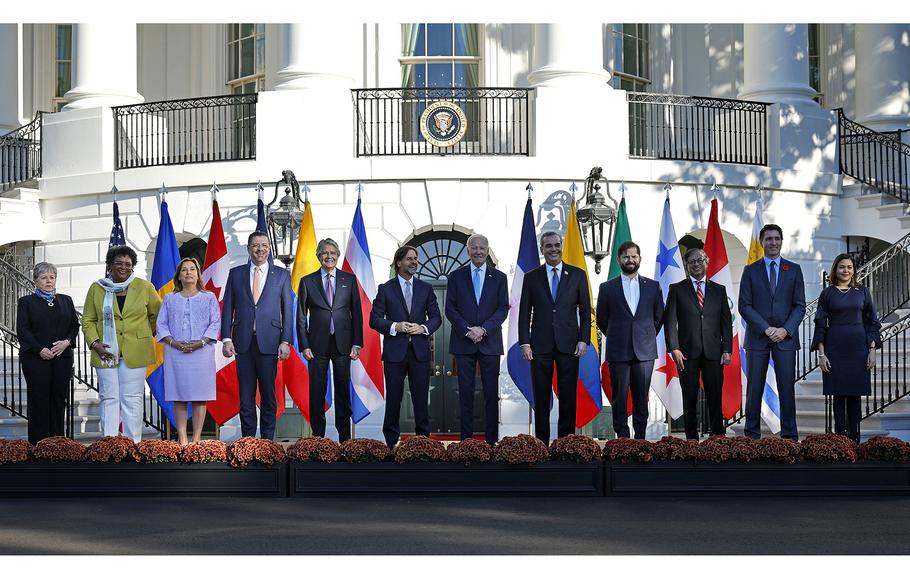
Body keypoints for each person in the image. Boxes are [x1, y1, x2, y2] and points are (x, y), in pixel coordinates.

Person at [518, 231, 591, 443]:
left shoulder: (577, 275)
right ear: (542, 249)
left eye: (556, 245)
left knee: (568, 396)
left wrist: (583, 339)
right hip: (539, 345)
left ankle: (565, 443)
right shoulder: (532, 277)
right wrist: (525, 342)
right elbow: (524, 313)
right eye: (548, 246)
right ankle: (541, 443)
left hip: (569, 345)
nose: (553, 249)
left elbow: (586, 312)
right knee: (541, 397)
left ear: (561, 246)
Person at [82, 245, 161, 442]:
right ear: (110, 265)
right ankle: (109, 444)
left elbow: (158, 315)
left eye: (128, 264)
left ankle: (132, 444)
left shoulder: (144, 287)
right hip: (105, 351)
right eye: (118, 263)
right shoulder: (97, 288)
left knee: (132, 398)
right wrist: (95, 343)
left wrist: (144, 335)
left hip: (136, 351)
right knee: (109, 397)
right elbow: (88, 320)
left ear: (133, 266)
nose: (123, 267)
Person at [221, 231, 294, 440]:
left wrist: (286, 341)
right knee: (245, 397)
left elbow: (287, 310)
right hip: (242, 343)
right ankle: (248, 441)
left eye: (263, 245)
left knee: (269, 396)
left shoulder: (281, 275)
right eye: (255, 245)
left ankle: (267, 441)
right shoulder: (236, 274)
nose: (259, 249)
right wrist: (226, 338)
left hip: (270, 343)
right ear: (248, 249)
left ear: (269, 249)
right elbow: (228, 308)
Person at [738, 223, 806, 440]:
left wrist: (785, 330)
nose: (773, 243)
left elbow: (800, 305)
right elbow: (744, 305)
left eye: (777, 238)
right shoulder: (750, 271)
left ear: (781, 241)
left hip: (785, 339)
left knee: (787, 389)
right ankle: (751, 437)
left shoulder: (794, 270)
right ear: (762, 242)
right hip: (758, 338)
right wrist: (766, 329)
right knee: (754, 390)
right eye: (769, 239)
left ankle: (789, 438)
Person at [369, 245, 441, 448]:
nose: (414, 262)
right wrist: (395, 326)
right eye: (409, 259)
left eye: (415, 259)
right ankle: (391, 443)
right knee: (393, 400)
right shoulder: (386, 288)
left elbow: (436, 318)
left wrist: (423, 328)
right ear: (399, 262)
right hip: (394, 354)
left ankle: (422, 444)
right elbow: (374, 320)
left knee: (420, 401)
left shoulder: (426, 288)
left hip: (419, 353)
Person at [296, 238, 363, 443]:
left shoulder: (349, 280)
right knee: (317, 392)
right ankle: (318, 439)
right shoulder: (307, 281)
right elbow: (300, 316)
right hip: (316, 346)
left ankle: (345, 439)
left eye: (333, 252)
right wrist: (304, 345)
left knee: (343, 391)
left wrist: (357, 342)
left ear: (338, 255)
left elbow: (357, 314)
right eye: (325, 252)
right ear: (318, 256)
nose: (329, 256)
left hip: (343, 344)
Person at [444, 234, 509, 445]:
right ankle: (466, 443)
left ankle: (491, 443)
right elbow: (450, 309)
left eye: (482, 248)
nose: (479, 251)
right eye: (475, 248)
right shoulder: (456, 276)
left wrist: (483, 329)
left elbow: (502, 309)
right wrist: (467, 330)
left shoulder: (499, 277)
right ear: (468, 250)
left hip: (490, 343)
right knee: (465, 394)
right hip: (464, 343)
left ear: (488, 250)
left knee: (491, 395)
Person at [596, 240, 664, 439]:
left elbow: (658, 317)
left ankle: (640, 438)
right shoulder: (607, 288)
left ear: (640, 259)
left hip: (644, 351)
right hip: (618, 351)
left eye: (634, 256)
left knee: (641, 398)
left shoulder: (652, 286)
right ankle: (623, 439)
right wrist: (619, 336)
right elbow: (602, 319)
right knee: (619, 398)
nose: (630, 260)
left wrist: (645, 336)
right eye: (626, 256)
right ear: (619, 260)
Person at [663, 247, 732, 440]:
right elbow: (670, 322)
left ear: (706, 262)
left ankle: (717, 437)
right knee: (690, 397)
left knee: (714, 397)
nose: (696, 264)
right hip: (686, 353)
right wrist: (674, 348)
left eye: (700, 260)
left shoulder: (719, 290)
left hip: (714, 352)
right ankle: (691, 439)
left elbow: (726, 322)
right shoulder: (676, 289)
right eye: (692, 261)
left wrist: (727, 349)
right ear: (686, 266)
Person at [811, 253, 881, 443]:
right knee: (839, 397)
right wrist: (822, 354)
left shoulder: (863, 292)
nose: (846, 271)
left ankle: (855, 440)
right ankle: (841, 442)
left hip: (858, 350)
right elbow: (820, 324)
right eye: (842, 267)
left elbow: (872, 322)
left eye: (849, 267)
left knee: (854, 397)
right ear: (836, 269)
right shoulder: (827, 293)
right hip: (834, 350)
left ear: (854, 270)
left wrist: (872, 351)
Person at [156, 258, 221, 445]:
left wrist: (200, 343)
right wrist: (174, 343)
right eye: (184, 270)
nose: (188, 272)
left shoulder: (208, 297)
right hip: (176, 352)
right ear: (179, 276)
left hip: (202, 352)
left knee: (200, 396)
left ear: (198, 274)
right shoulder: (170, 298)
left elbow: (215, 322)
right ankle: (183, 438)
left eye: (192, 269)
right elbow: (161, 324)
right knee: (179, 395)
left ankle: (197, 438)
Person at [16, 262, 79, 444]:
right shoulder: (26, 302)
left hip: (62, 358)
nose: (48, 281)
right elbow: (23, 330)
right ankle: (39, 445)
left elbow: (74, 325)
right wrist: (39, 349)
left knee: (59, 398)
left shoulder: (66, 300)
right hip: (36, 359)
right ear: (36, 281)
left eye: (52, 277)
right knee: (39, 400)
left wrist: (66, 342)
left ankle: (57, 444)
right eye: (44, 278)